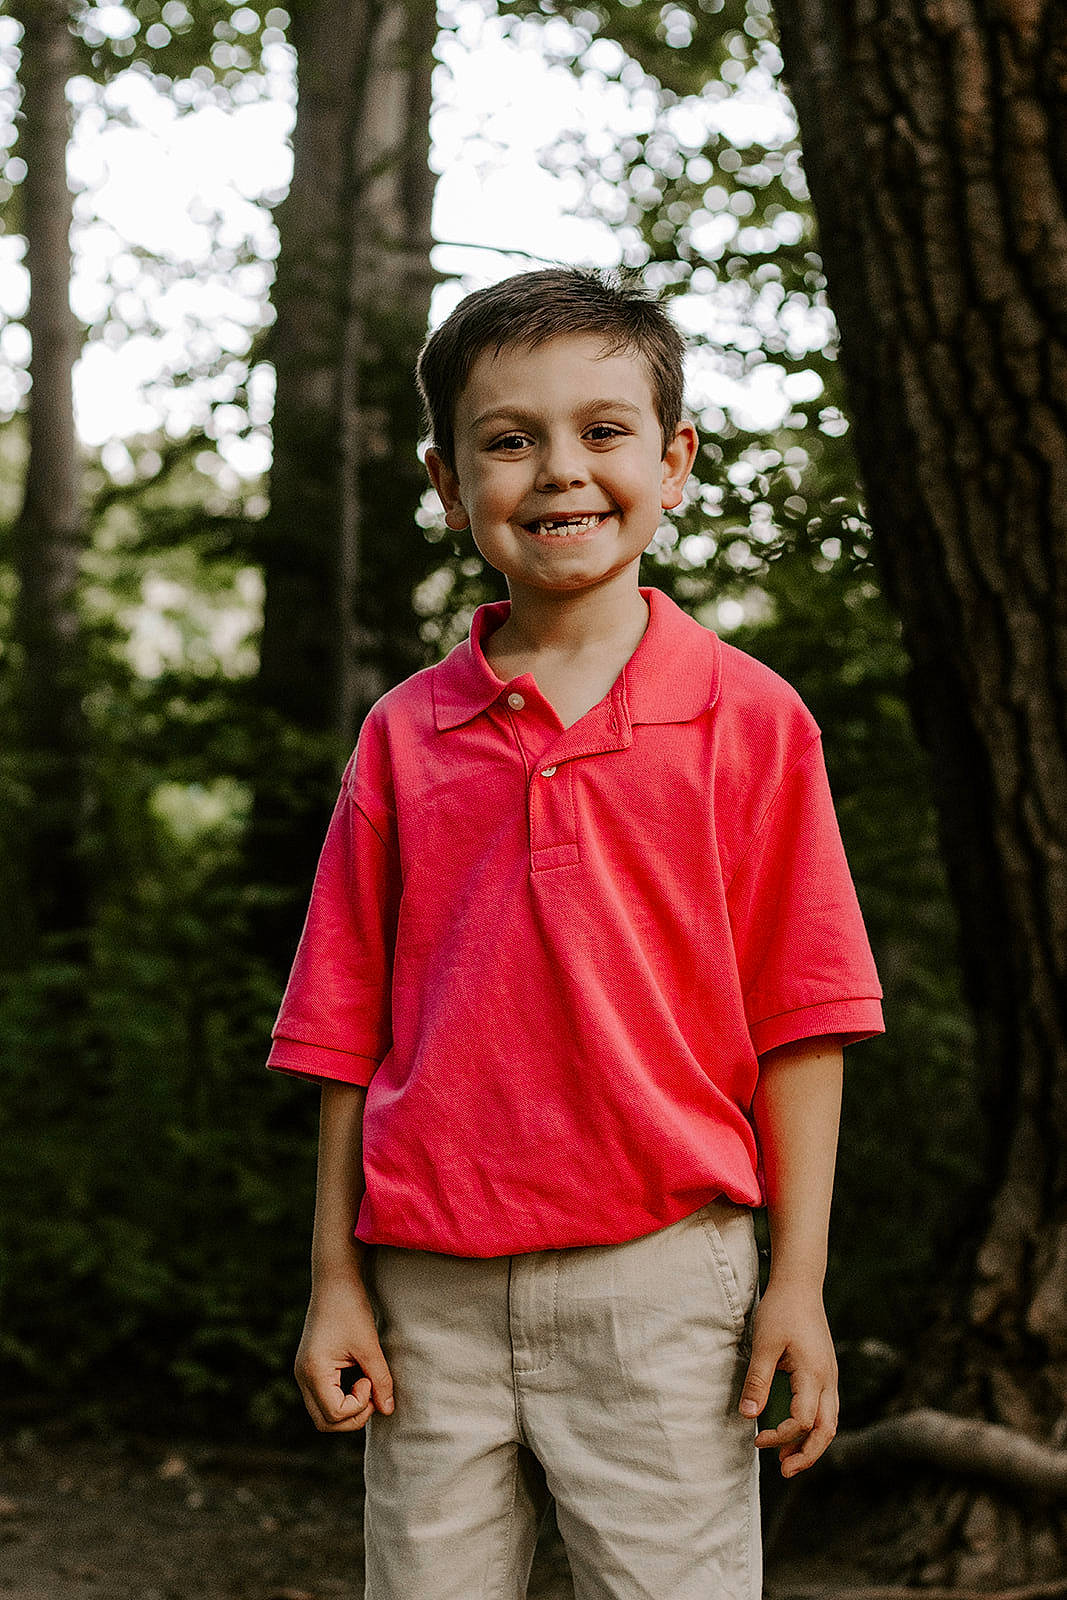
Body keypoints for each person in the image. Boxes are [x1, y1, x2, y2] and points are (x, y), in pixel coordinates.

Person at [266, 266, 885, 1600]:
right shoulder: (402, 736)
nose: (561, 471)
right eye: (511, 439)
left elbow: (809, 1021)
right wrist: (335, 1280)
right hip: (426, 1287)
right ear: (449, 485)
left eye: (603, 432)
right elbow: (340, 1038)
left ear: (673, 463)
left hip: (664, 1282)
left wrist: (800, 1283)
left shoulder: (748, 718)